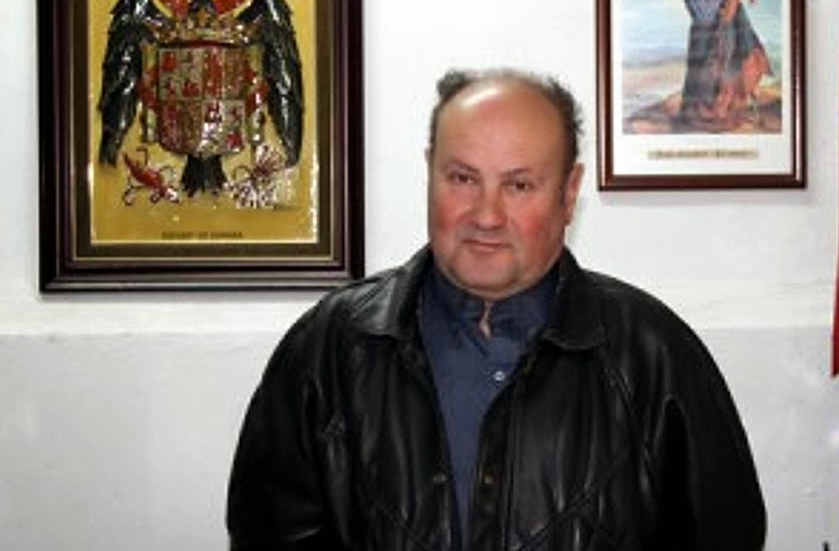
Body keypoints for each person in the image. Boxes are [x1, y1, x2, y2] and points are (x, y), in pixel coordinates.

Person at [226, 67, 766, 550]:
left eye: (519, 185)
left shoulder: (655, 357)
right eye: (463, 178)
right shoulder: (329, 349)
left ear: (569, 193)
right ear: (429, 173)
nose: (486, 215)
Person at [667, 0, 772, 128]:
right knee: (696, 73)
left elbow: (732, 8)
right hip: (698, 37)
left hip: (714, 36)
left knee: (711, 73)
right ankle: (692, 110)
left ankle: (710, 107)